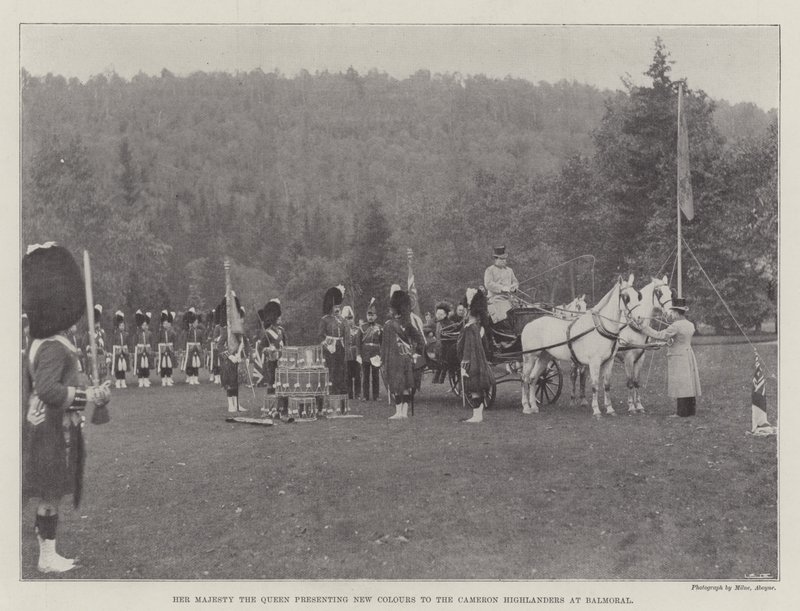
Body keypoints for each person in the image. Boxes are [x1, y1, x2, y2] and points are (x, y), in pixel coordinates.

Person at [22, 242, 111, 573]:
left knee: (51, 489)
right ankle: (47, 557)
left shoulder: (42, 343)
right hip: (51, 430)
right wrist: (86, 396)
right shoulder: (53, 347)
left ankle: (47, 548)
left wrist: (93, 391)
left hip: (46, 426)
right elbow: (47, 388)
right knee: (51, 491)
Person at [638, 297, 701, 417]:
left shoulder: (675, 326)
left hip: (678, 356)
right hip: (688, 353)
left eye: (672, 312)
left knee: (680, 383)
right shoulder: (690, 324)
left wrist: (644, 328)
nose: (671, 315)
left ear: (677, 313)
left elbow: (660, 335)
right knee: (688, 382)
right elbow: (679, 339)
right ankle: (690, 410)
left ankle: (681, 412)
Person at [381, 289, 425, 420]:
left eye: (391, 308)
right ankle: (399, 412)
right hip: (398, 359)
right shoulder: (392, 324)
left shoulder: (401, 324)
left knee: (401, 386)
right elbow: (385, 345)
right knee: (399, 387)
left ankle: (402, 412)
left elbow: (420, 340)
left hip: (401, 360)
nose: (390, 310)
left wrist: (416, 353)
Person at [457, 288, 495, 423]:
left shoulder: (469, 328)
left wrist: (464, 364)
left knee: (473, 388)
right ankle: (478, 415)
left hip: (472, 362)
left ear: (469, 311)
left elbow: (467, 348)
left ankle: (476, 416)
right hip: (481, 361)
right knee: (478, 389)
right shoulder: (480, 327)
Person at [216, 293, 248, 413]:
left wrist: (239, 354)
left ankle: (237, 404)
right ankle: (231, 405)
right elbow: (219, 345)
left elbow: (241, 342)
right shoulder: (225, 330)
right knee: (230, 383)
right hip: (228, 360)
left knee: (236, 382)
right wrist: (230, 356)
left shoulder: (237, 329)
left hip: (237, 358)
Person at [483, 246, 519, 349]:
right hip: (495, 298)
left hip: (510, 298)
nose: (504, 261)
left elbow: (515, 282)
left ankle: (517, 335)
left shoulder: (509, 270)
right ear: (496, 259)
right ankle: (503, 339)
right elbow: (488, 284)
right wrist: (502, 288)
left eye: (505, 259)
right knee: (504, 313)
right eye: (501, 259)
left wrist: (514, 288)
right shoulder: (489, 270)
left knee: (520, 310)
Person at [319, 286, 348, 396]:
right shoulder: (325, 319)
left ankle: (341, 389)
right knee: (332, 369)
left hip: (340, 346)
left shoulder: (341, 319)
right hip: (330, 348)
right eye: (335, 306)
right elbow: (320, 336)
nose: (337, 308)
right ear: (331, 306)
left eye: (338, 306)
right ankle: (332, 390)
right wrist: (328, 345)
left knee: (341, 369)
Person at [360, 298, 383, 401]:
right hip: (365, 353)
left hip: (376, 353)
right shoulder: (362, 328)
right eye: (369, 315)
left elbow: (382, 342)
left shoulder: (379, 327)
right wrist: (358, 354)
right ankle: (365, 396)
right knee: (365, 376)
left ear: (376, 316)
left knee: (375, 375)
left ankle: (376, 396)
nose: (370, 317)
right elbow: (358, 342)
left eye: (372, 315)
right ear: (366, 316)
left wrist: (381, 354)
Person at [261, 299, 285, 393]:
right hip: (271, 361)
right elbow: (262, 347)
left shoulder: (282, 330)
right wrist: (268, 349)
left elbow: (285, 344)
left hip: (282, 359)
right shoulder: (267, 332)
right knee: (272, 381)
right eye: (278, 318)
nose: (280, 319)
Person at [341, 305, 363, 400]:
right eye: (347, 318)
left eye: (351, 318)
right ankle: (349, 393)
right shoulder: (341, 330)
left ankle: (357, 393)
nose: (349, 320)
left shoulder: (358, 329)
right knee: (348, 375)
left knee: (358, 374)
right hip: (346, 354)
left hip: (356, 354)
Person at [182, 307, 205, 385]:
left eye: (197, 322)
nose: (196, 323)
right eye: (195, 322)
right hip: (190, 349)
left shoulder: (199, 331)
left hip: (197, 349)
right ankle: (190, 378)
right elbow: (185, 339)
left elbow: (201, 341)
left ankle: (196, 378)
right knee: (190, 364)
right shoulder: (188, 331)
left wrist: (202, 347)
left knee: (196, 364)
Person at [133, 310, 153, 388]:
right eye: (143, 325)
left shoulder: (149, 333)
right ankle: (140, 379)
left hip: (147, 351)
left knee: (146, 366)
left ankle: (146, 379)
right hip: (140, 351)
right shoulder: (138, 333)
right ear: (141, 325)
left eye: (146, 325)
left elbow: (151, 342)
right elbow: (135, 342)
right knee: (140, 366)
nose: (145, 326)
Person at [157, 310, 177, 386]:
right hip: (162, 351)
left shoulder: (172, 332)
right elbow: (158, 341)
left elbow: (174, 341)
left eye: (167, 323)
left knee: (169, 365)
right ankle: (163, 380)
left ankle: (169, 379)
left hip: (169, 350)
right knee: (163, 365)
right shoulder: (160, 332)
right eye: (164, 324)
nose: (165, 325)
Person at [110, 311, 130, 389]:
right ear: (118, 326)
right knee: (117, 367)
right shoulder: (115, 334)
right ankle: (118, 381)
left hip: (124, 351)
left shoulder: (126, 334)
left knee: (123, 366)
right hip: (117, 352)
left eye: (123, 325)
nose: (122, 327)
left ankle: (123, 381)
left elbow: (128, 343)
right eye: (121, 325)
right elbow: (113, 343)